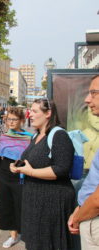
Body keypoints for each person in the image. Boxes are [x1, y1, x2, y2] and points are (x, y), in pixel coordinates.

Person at [11, 98, 76, 250]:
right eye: (30, 111)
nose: (30, 115)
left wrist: (31, 172)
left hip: (51, 202)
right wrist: (18, 165)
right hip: (35, 201)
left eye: (34, 111)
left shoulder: (59, 135)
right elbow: (30, 159)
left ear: (48, 113)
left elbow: (61, 169)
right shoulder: (36, 135)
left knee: (48, 243)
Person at [68, 75, 99, 249]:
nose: (87, 100)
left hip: (93, 218)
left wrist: (79, 217)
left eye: (93, 93)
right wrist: (80, 207)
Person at [0, 107, 32, 248]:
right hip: (5, 171)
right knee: (7, 204)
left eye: (14, 119)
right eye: (8, 119)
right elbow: (2, 155)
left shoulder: (29, 137)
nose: (10, 122)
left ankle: (26, 233)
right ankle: (13, 235)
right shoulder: (4, 136)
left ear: (22, 121)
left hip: (21, 173)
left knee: (21, 204)